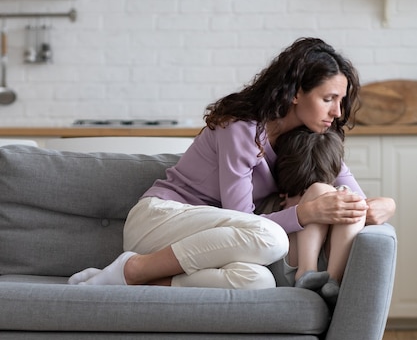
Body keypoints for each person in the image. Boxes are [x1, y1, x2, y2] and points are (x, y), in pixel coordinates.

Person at [68, 36, 395, 291]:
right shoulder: (242, 129)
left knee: (258, 282)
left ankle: (139, 283)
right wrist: (305, 213)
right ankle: (132, 268)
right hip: (161, 221)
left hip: (219, 240)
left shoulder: (309, 138)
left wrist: (385, 205)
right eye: (328, 99)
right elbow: (241, 220)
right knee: (271, 239)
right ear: (296, 93)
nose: (338, 112)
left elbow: (351, 195)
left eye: (341, 100)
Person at [270, 125, 366, 306]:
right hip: (296, 266)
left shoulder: (276, 198)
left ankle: (326, 280)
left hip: (295, 265)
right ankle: (325, 277)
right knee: (345, 197)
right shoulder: (319, 190)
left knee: (350, 199)